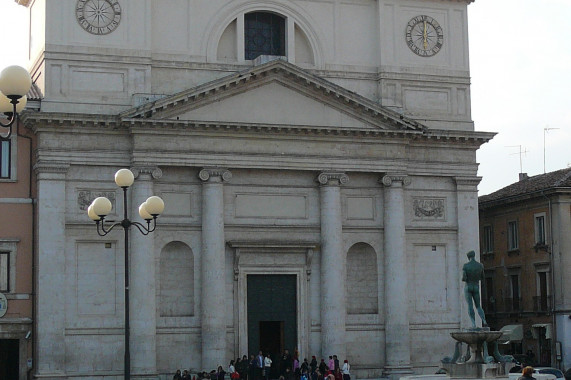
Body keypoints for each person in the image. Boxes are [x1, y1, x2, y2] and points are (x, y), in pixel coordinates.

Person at [462, 250, 488, 328]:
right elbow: (482, 277)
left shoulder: (465, 266)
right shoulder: (480, 265)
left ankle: (473, 324)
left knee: (470, 306)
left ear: (468, 257)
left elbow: (464, 278)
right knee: (478, 306)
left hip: (468, 286)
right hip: (476, 286)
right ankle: (484, 320)